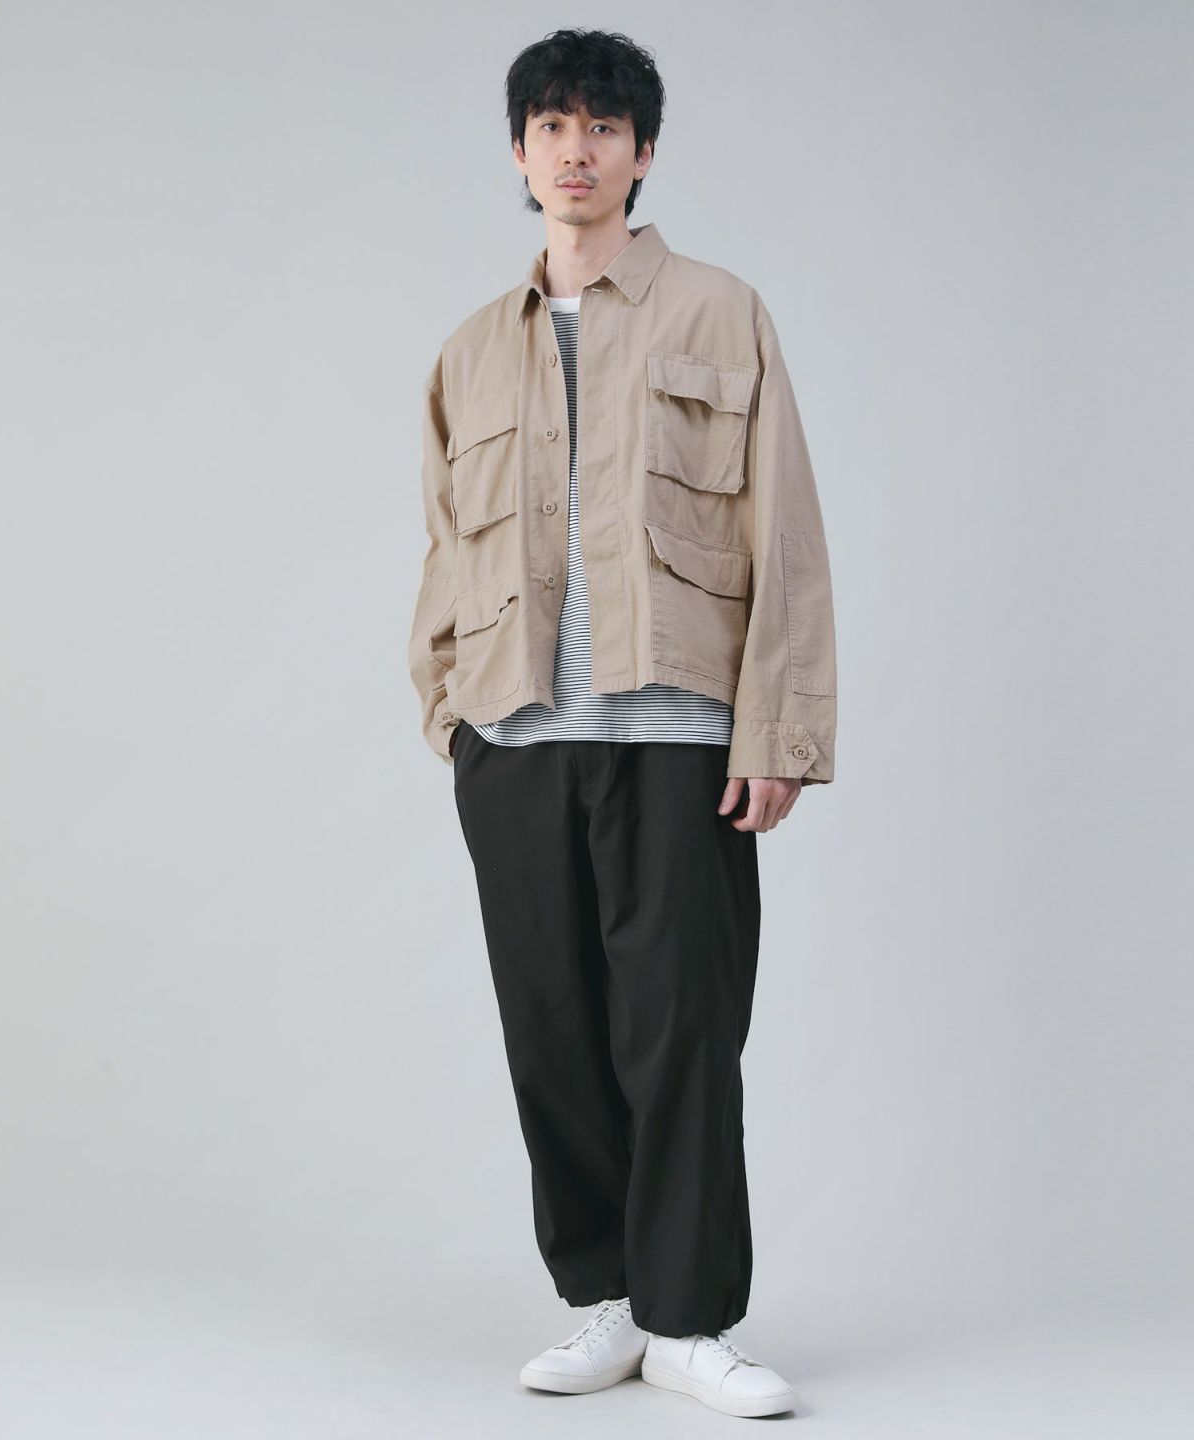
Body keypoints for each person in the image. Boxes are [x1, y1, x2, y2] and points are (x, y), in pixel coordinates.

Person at [407, 27, 836, 1420]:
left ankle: (691, 1320)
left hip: (677, 743)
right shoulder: (471, 351)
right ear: (519, 153)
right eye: (552, 126)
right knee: (554, 1034)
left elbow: (786, 530)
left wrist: (777, 731)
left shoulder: (721, 311)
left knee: (682, 1033)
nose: (576, 150)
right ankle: (602, 1301)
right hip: (517, 744)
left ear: (643, 152)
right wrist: (451, 721)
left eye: (603, 126)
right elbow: (442, 554)